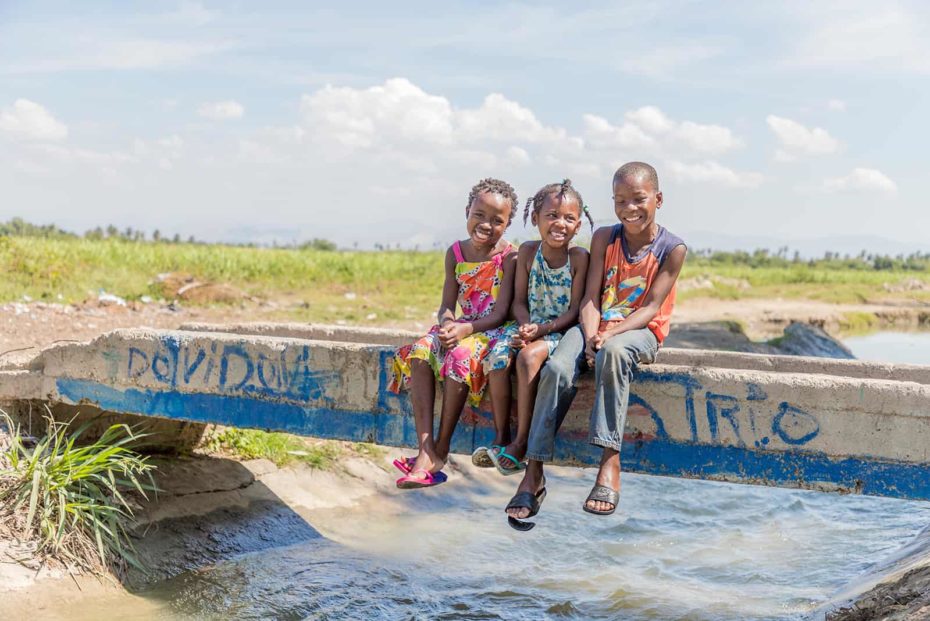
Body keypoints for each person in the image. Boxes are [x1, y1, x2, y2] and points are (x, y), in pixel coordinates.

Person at [505, 162, 686, 528]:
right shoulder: (605, 237)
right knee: (556, 367)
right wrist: (591, 338)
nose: (629, 208)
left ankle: (609, 460)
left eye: (639, 199)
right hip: (595, 326)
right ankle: (535, 470)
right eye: (621, 200)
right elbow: (590, 298)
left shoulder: (672, 248)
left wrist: (610, 337)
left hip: (640, 331)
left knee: (614, 355)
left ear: (658, 199)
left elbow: (651, 307)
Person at [388, 178, 519, 488]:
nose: (486, 224)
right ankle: (425, 449)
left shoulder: (510, 258)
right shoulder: (455, 254)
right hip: (463, 326)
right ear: (467, 211)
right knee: (421, 349)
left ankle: (442, 448)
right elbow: (447, 305)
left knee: (460, 356)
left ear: (507, 224)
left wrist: (464, 330)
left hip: (492, 331)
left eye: (497, 220)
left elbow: (501, 313)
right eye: (479, 215)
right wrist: (448, 323)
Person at [476, 180, 591, 480]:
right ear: (535, 218)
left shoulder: (578, 259)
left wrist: (542, 329)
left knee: (528, 359)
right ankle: (501, 438)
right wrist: (527, 324)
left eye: (568, 218)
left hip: (559, 331)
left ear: (578, 226)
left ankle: (521, 443)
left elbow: (575, 311)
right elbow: (518, 302)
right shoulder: (527, 253)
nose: (559, 224)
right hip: (528, 325)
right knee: (498, 356)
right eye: (551, 215)